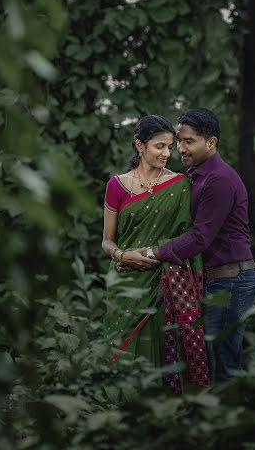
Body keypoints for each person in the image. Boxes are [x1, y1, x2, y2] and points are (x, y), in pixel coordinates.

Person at [129, 108, 255, 384]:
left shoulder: (219, 179)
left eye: (189, 141)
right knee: (212, 359)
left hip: (231, 280)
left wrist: (152, 253)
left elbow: (200, 237)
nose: (181, 148)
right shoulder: (195, 176)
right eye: (180, 141)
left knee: (222, 362)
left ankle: (233, 421)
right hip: (214, 279)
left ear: (211, 143)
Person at [102, 115, 210, 392]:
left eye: (170, 147)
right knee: (122, 356)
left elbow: (191, 238)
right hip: (126, 283)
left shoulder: (180, 185)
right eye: (159, 146)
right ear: (140, 145)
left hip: (168, 286)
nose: (167, 153)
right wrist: (123, 256)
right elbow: (107, 242)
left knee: (164, 353)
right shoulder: (117, 185)